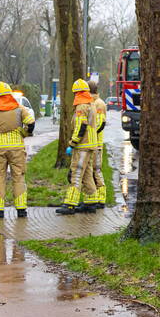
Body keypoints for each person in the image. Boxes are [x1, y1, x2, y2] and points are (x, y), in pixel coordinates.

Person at [0, 82, 35, 219]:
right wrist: (25, 132)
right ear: (10, 94)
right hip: (17, 149)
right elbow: (31, 123)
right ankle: (21, 210)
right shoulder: (20, 109)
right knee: (19, 177)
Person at [56, 79, 100, 215]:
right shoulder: (91, 104)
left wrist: (72, 143)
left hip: (82, 147)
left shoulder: (81, 107)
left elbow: (81, 127)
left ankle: (70, 204)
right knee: (87, 175)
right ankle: (91, 202)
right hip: (91, 145)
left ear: (77, 93)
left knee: (76, 173)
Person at [88, 79, 108, 208]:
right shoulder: (92, 102)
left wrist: (89, 135)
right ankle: (96, 196)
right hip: (92, 143)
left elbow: (100, 124)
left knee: (96, 170)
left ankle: (101, 198)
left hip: (96, 144)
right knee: (92, 171)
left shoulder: (98, 104)